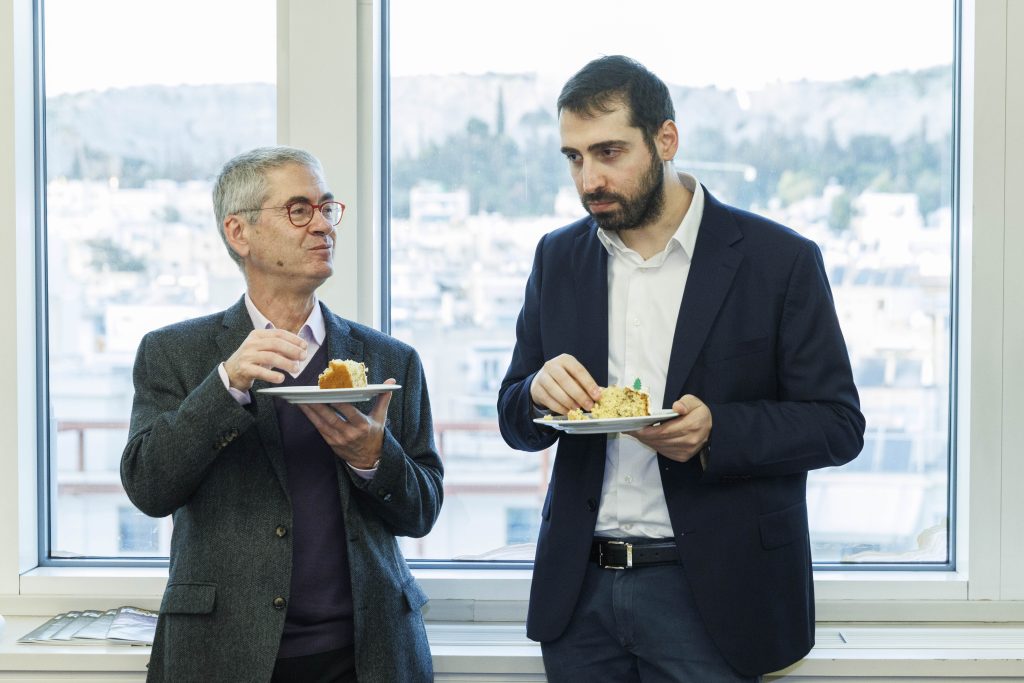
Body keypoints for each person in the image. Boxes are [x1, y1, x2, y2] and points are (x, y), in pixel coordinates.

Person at [497, 56, 865, 681]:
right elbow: (514, 417)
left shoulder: (780, 261)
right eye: (574, 158)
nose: (590, 179)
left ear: (665, 139)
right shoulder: (557, 258)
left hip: (717, 595)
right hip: (579, 597)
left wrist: (717, 431)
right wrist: (535, 392)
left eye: (609, 152)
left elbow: (838, 425)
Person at [121, 146, 443, 683]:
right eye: (299, 210)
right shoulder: (173, 353)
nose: (323, 225)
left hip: (370, 654)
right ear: (239, 232)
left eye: (327, 208)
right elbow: (149, 488)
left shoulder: (391, 360)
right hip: (223, 654)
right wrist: (225, 387)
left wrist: (373, 459)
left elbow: (423, 512)